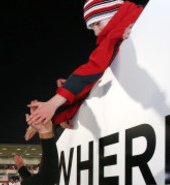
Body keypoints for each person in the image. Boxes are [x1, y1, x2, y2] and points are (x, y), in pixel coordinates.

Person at [26, 0, 148, 136]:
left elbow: (94, 68)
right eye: (92, 27)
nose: (96, 33)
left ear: (115, 12)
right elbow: (90, 83)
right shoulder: (122, 29)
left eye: (97, 23)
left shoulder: (126, 26)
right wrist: (57, 117)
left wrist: (53, 104)